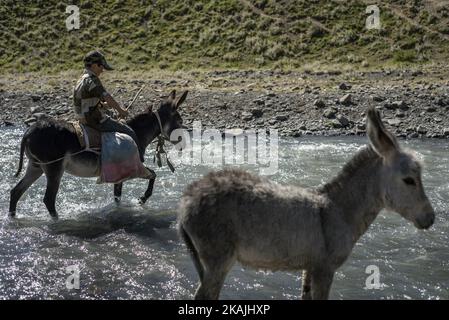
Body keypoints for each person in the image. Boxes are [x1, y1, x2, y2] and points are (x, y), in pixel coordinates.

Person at [73, 50, 144, 162]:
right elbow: (108, 98)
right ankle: (139, 163)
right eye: (101, 66)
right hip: (93, 120)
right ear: (95, 65)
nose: (102, 70)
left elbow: (86, 102)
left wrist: (103, 106)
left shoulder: (81, 79)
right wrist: (121, 111)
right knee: (129, 132)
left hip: (81, 118)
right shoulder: (92, 80)